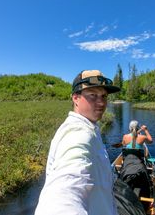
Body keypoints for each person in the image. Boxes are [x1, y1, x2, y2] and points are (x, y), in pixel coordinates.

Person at [35, 70, 120, 215]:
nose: (101, 102)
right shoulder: (78, 133)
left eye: (104, 96)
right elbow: (64, 193)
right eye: (93, 95)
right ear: (76, 98)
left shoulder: (92, 127)